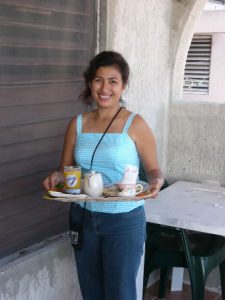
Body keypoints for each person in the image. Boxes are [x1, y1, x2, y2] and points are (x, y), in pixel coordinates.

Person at [42, 51, 164, 300]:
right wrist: (55, 177)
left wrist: (156, 181)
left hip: (123, 221)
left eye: (113, 81)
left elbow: (153, 169)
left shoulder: (135, 124)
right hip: (83, 216)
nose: (105, 88)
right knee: (91, 291)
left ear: (123, 86)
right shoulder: (77, 124)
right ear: (90, 83)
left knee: (120, 292)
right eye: (98, 80)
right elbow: (66, 169)